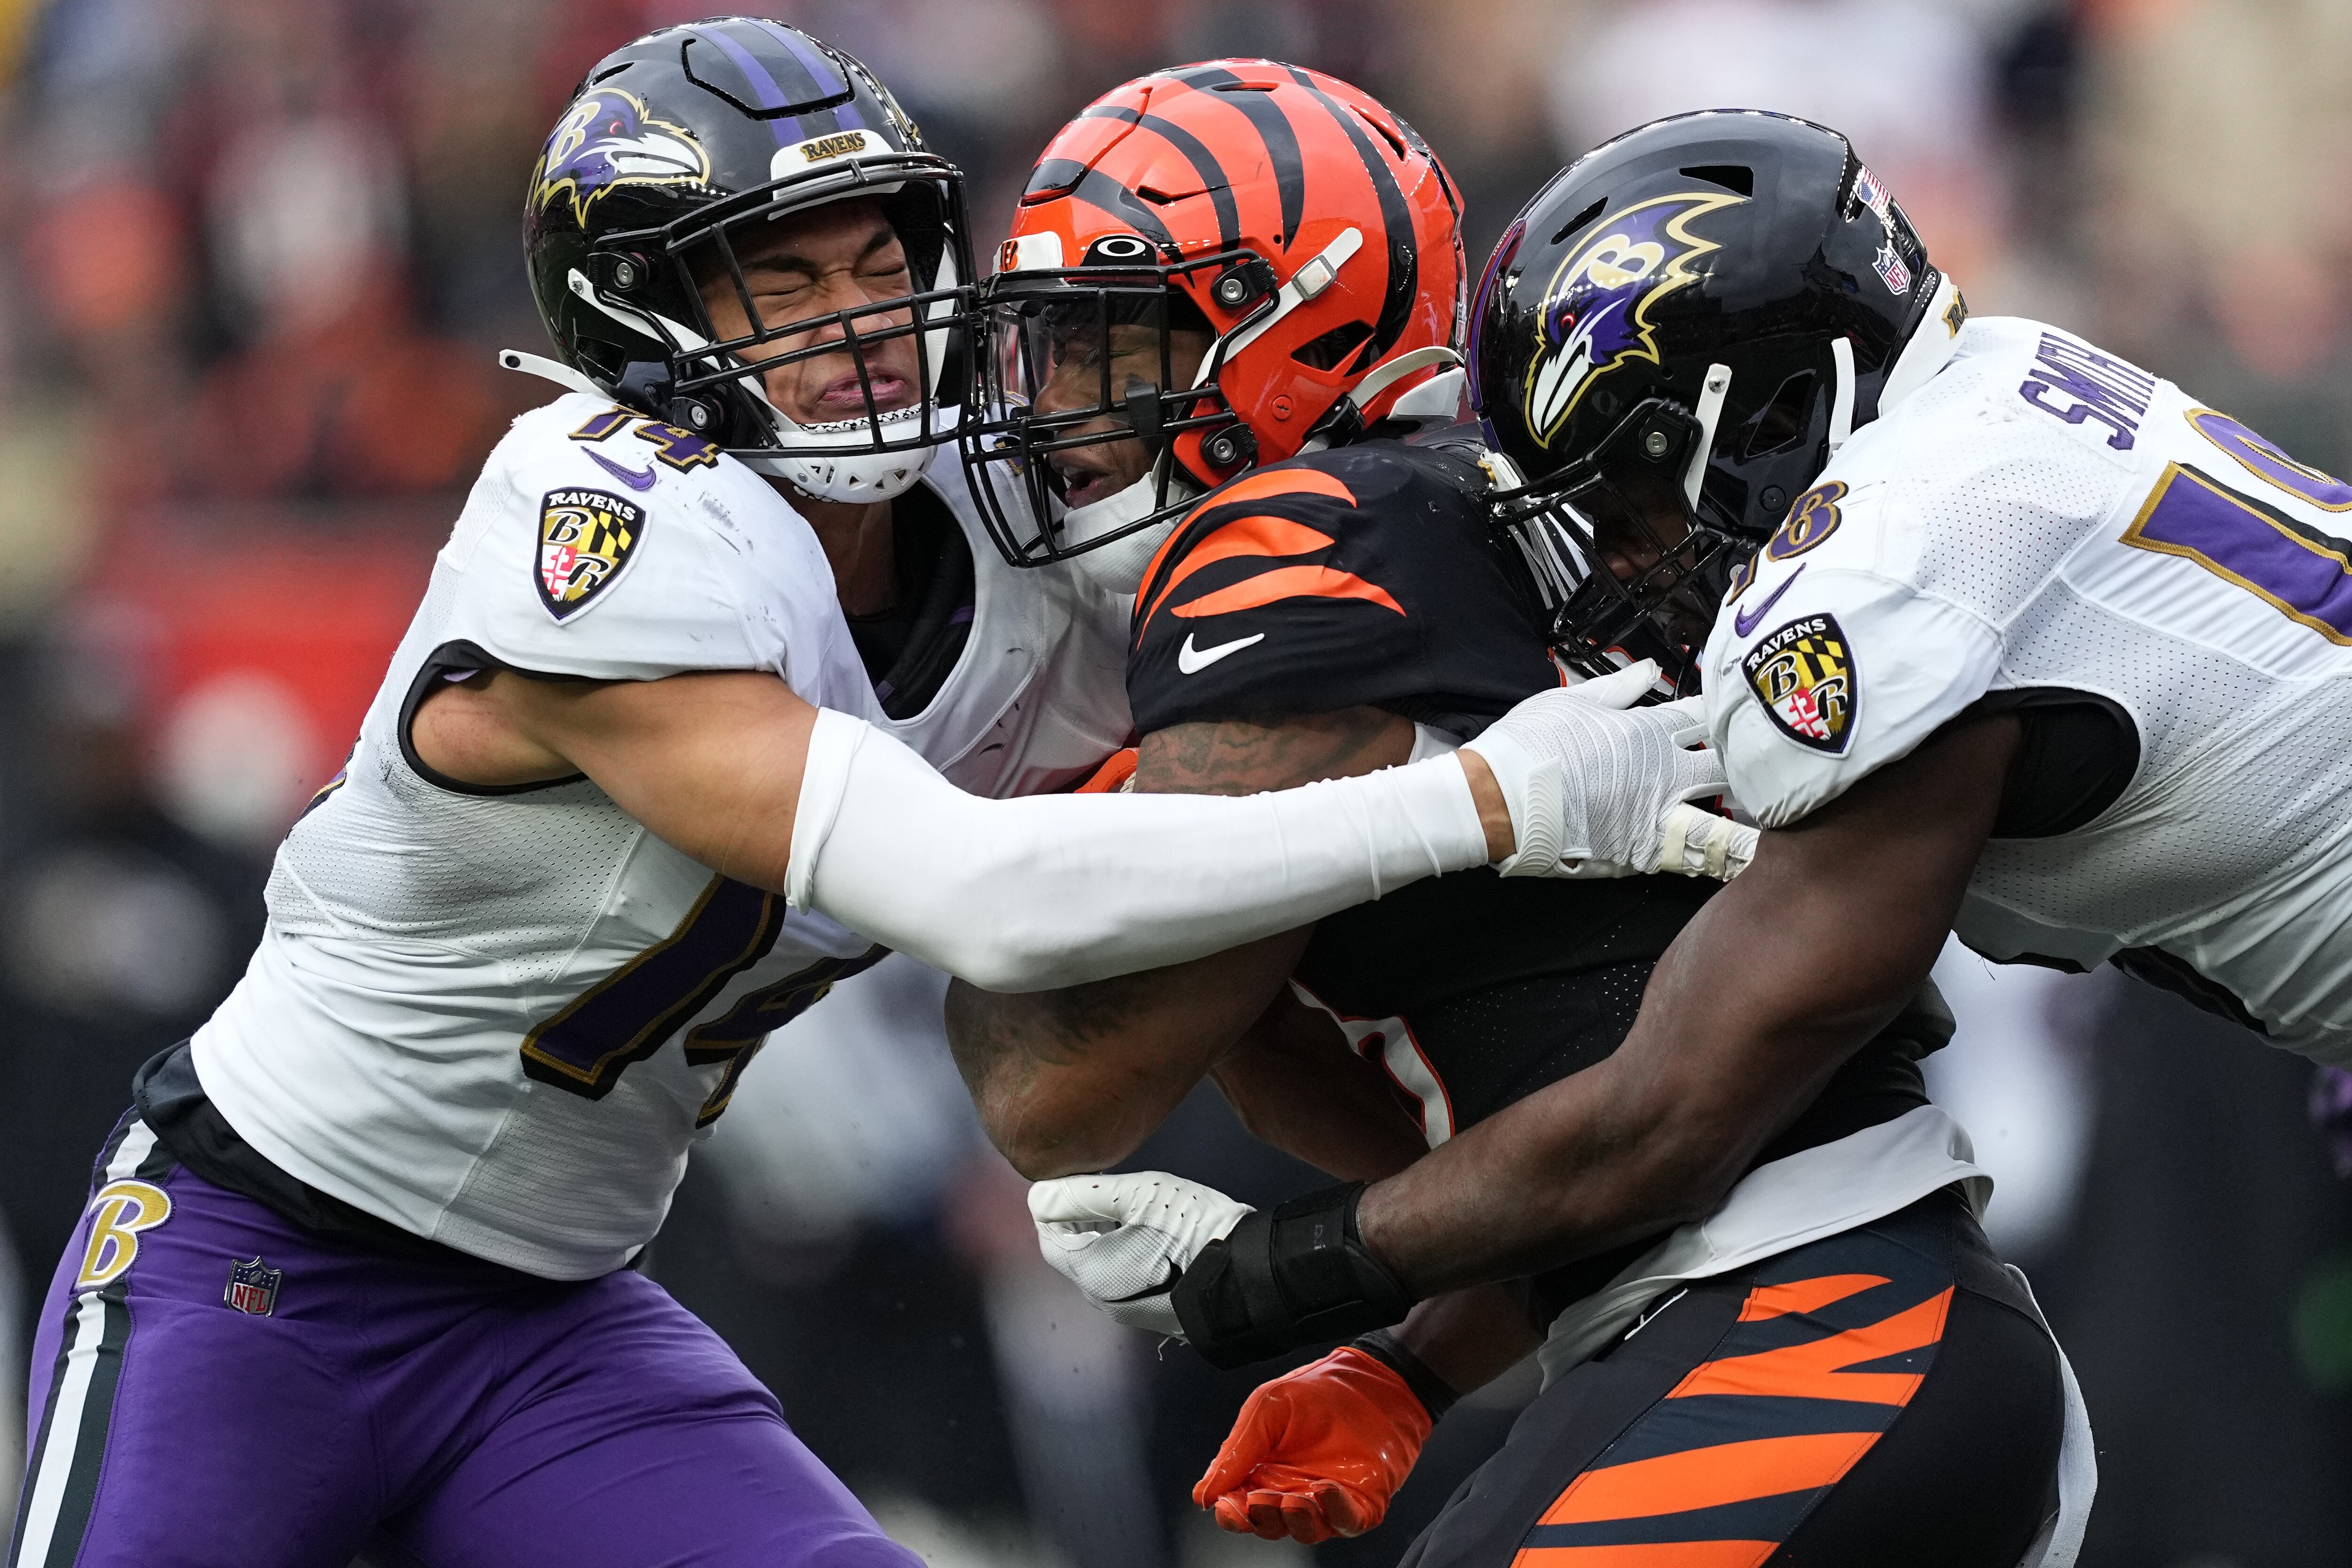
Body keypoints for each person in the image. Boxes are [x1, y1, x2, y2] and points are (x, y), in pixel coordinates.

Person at [5, 26, 1696, 1568]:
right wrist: (1484, 796)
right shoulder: (600, 514)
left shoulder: (1013, 500)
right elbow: (985, 897)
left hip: (556, 1321)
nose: (855, 319)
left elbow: (1253, 754)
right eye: (772, 278)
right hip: (256, 1269)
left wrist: (1507, 1210)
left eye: (876, 251)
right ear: (641, 326)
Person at [949, 88, 2083, 1568]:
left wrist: (1048, 824)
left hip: (1813, 1323)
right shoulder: (1463, 525)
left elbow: (1054, 1091)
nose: (1060, 401)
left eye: (1112, 333)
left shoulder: (1298, 542)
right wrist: (1409, 1360)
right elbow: (1567, 1060)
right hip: (1838, 1319)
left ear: (1291, 324)